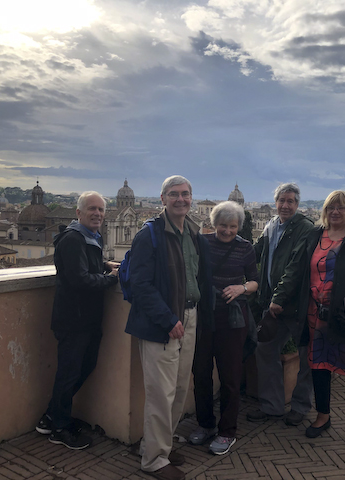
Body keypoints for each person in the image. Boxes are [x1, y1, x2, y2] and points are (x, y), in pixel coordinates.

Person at [272, 190, 345, 449]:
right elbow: (297, 269)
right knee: (319, 368)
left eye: (341, 208)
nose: (335, 212)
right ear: (324, 210)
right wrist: (279, 297)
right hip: (315, 313)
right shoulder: (314, 235)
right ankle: (323, 416)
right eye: (331, 207)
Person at [125, 175, 212, 480]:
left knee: (177, 389)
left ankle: (159, 446)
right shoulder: (148, 235)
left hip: (188, 317)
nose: (181, 199)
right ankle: (153, 461)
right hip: (162, 324)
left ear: (191, 198)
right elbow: (141, 285)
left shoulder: (191, 231)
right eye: (174, 194)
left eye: (185, 194)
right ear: (162, 199)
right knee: (161, 394)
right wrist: (168, 319)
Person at [36, 191, 119, 450]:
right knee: (70, 373)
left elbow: (87, 266)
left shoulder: (89, 238)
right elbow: (79, 279)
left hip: (86, 318)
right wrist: (112, 279)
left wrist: (105, 265)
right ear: (79, 213)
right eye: (91, 209)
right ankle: (59, 428)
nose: (97, 213)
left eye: (101, 210)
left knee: (82, 368)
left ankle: (51, 417)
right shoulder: (73, 239)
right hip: (74, 318)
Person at [189, 201, 259, 455]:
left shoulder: (245, 248)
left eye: (232, 226)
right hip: (205, 315)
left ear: (239, 226)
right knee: (201, 372)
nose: (227, 231)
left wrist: (241, 288)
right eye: (222, 226)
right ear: (213, 224)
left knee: (230, 376)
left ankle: (227, 431)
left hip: (232, 319)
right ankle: (205, 424)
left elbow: (254, 281)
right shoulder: (202, 243)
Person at [246, 183, 315, 426]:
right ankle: (272, 406)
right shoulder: (271, 226)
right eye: (282, 201)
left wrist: (278, 298)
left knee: (307, 358)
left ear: (297, 204)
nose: (285, 205)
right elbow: (256, 253)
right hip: (271, 302)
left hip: (295, 305)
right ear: (275, 203)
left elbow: (295, 268)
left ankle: (299, 407)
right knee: (265, 350)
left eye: (291, 201)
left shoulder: (305, 229)